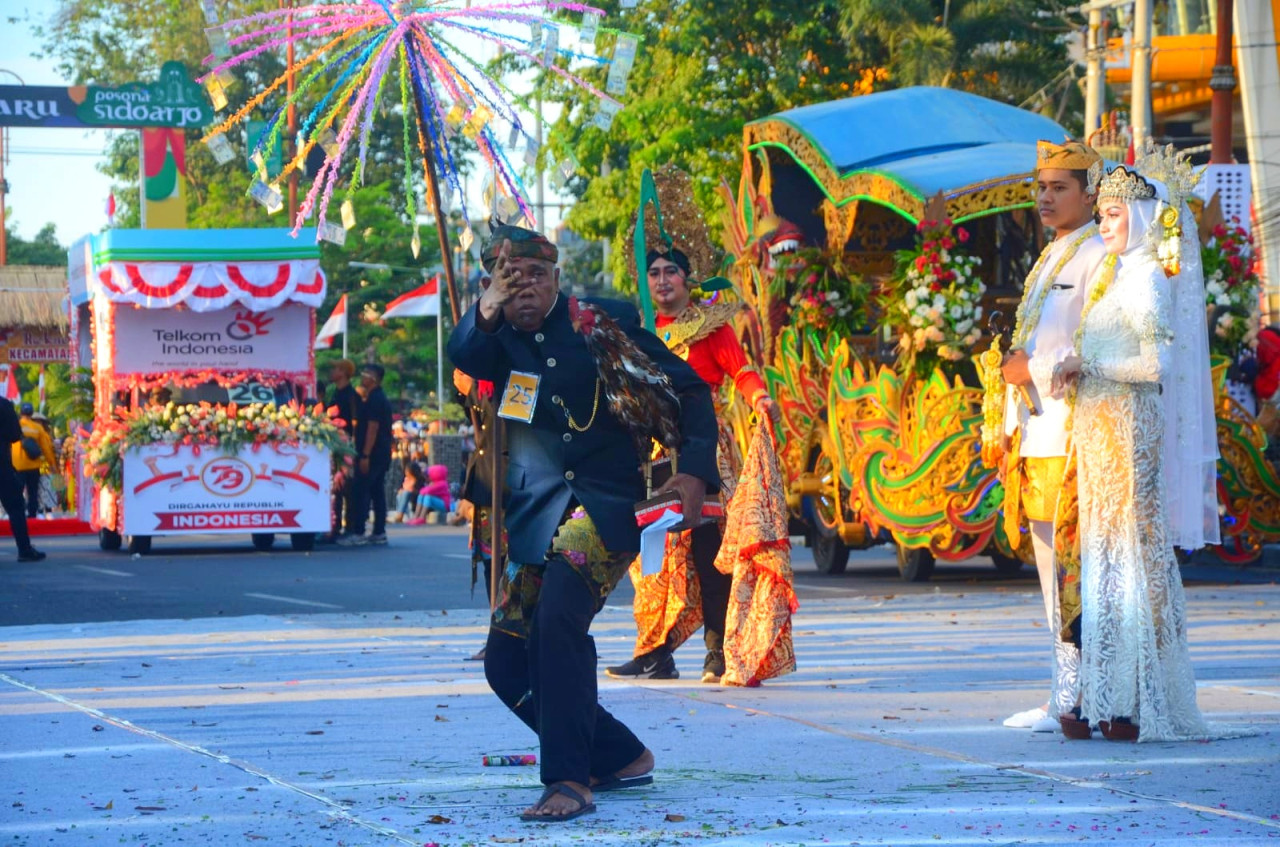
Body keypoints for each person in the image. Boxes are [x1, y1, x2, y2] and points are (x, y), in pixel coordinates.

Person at [448, 224, 719, 822]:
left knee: (558, 621)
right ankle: (620, 753)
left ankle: (569, 779)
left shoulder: (604, 324)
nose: (523, 290)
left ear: (557, 280)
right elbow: (462, 355)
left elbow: (690, 389)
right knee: (505, 662)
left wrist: (696, 470)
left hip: (601, 504)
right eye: (508, 279)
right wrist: (485, 308)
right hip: (533, 515)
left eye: (534, 278)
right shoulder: (494, 340)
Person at [1050, 162, 1231, 741]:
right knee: (1108, 561)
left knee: (1133, 558)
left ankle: (1135, 700)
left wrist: (1089, 364)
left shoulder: (1150, 275)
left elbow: (1156, 366)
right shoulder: (1114, 274)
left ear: (1143, 215)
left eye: (1113, 213)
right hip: (1101, 434)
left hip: (1130, 432)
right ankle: (1108, 696)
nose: (1104, 224)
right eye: (1100, 213)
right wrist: (1075, 371)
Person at [606, 244, 781, 683]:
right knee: (651, 557)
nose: (662, 280)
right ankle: (654, 652)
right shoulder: (636, 331)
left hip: (704, 450)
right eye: (654, 273)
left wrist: (759, 397)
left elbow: (741, 371)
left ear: (687, 279)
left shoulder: (711, 326)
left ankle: (717, 652)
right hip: (652, 453)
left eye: (671, 272)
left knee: (708, 550)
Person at [997, 139, 1109, 733]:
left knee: (1074, 566)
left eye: (1059, 186)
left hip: (1074, 431)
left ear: (1090, 193)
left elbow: (1097, 349)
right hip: (1037, 431)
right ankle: (1064, 692)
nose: (1045, 197)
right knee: (1048, 566)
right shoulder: (1052, 255)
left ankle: (1084, 695)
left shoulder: (1097, 255)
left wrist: (1031, 369)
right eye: (1040, 187)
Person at [339, 363, 393, 546]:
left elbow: (373, 427)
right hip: (381, 452)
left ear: (373, 378)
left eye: (365, 374)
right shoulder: (376, 397)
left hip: (373, 453)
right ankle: (379, 531)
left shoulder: (375, 399)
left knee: (361, 490)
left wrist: (365, 455)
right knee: (377, 491)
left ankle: (359, 531)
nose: (362, 377)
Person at [0, 397, 45, 561]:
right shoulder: (3, 405)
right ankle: (24, 550)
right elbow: (14, 435)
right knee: (16, 506)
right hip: (2, 464)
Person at [322, 359, 360, 543]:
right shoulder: (335, 392)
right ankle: (334, 527)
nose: (332, 372)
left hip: (347, 446)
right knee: (335, 488)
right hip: (335, 445)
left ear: (344, 372)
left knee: (348, 489)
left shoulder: (351, 395)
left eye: (335, 369)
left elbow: (355, 421)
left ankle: (350, 527)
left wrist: (352, 445)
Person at [11, 402, 57, 520]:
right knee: (33, 493)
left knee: (16, 492)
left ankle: (18, 514)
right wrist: (52, 463)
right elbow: (46, 448)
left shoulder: (14, 425)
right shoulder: (37, 428)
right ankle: (32, 515)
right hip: (34, 466)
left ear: (21, 413)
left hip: (17, 465)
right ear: (31, 414)